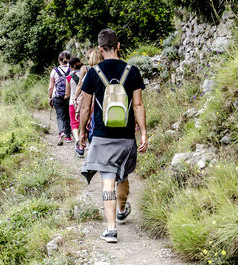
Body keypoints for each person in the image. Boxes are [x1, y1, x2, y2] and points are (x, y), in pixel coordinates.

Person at [79, 29, 148, 243]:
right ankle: (121, 208)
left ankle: (111, 229)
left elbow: (85, 108)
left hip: (101, 136)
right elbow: (137, 104)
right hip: (126, 137)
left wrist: (82, 132)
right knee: (123, 175)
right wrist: (144, 132)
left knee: (107, 179)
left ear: (100, 49)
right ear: (118, 46)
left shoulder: (93, 73)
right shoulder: (133, 71)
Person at [75, 49, 104, 144]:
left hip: (95, 109)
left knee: (93, 134)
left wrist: (82, 131)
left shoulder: (90, 73)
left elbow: (84, 97)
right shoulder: (107, 71)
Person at [48, 51, 73, 145]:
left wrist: (50, 97)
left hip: (57, 96)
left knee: (60, 116)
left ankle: (61, 132)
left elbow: (51, 87)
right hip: (68, 95)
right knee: (68, 116)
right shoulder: (71, 69)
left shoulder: (54, 71)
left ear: (59, 60)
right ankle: (68, 137)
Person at [64, 57, 83, 157]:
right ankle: (84, 139)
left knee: (74, 123)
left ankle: (77, 139)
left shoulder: (69, 77)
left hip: (73, 102)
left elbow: (67, 93)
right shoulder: (86, 74)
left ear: (71, 66)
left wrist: (65, 97)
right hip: (84, 102)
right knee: (83, 121)